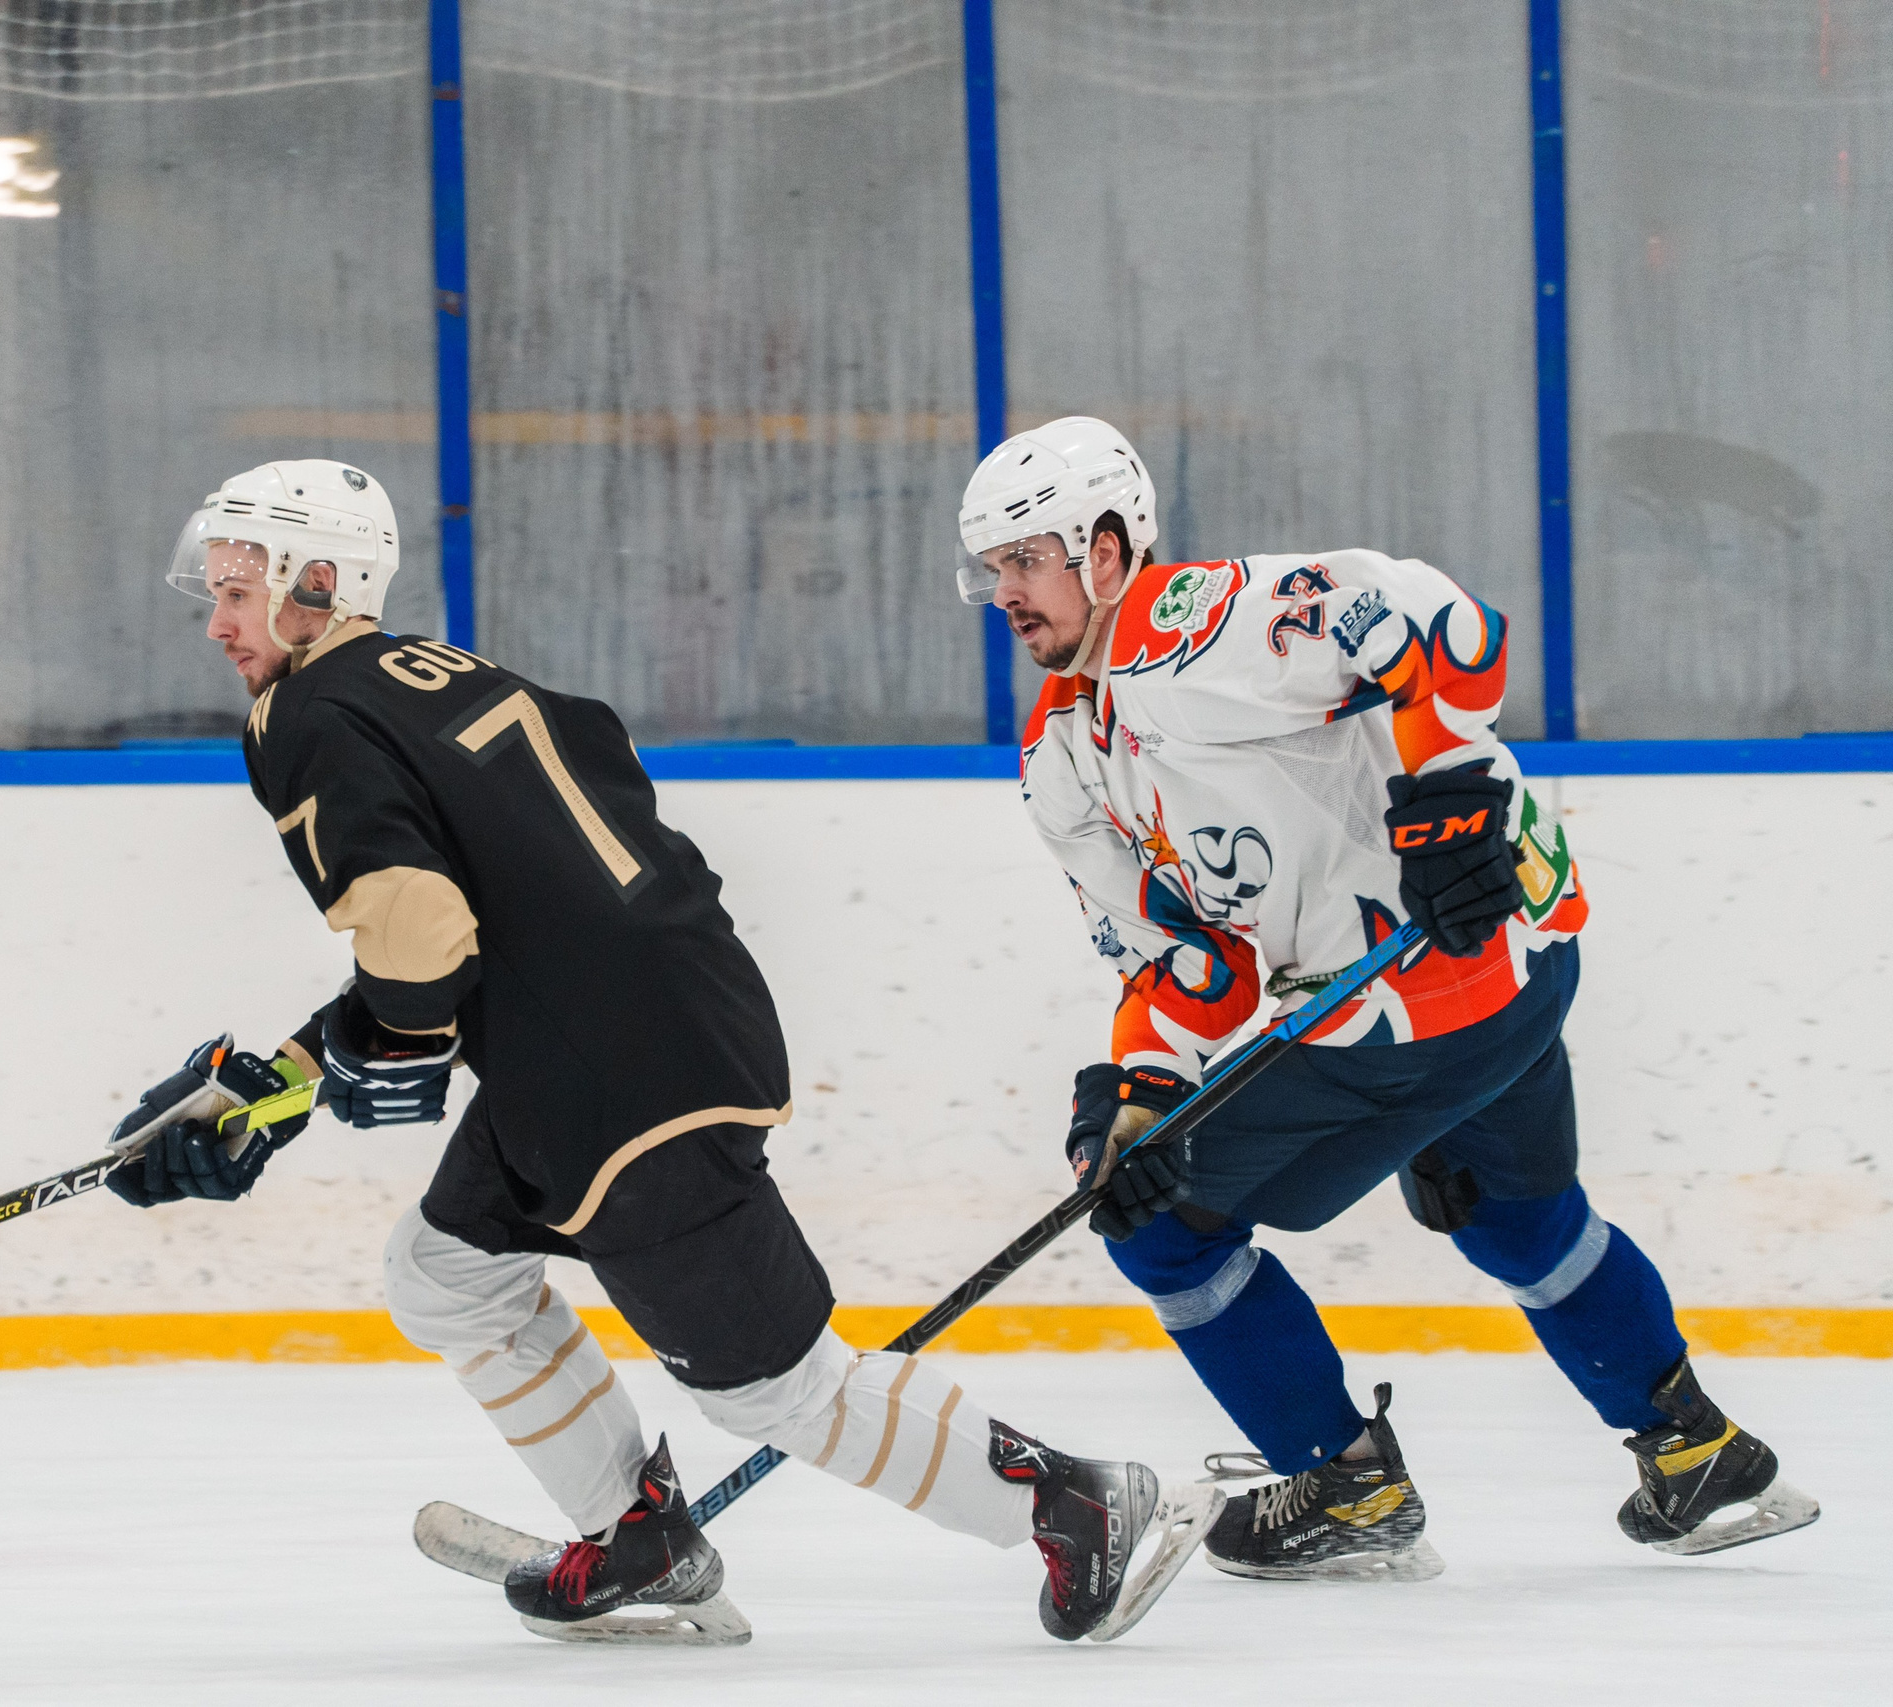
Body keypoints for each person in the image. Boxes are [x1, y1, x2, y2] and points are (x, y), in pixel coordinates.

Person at [102, 458, 1216, 1646]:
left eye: (239, 592)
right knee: (447, 1275)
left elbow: (420, 946)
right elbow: (530, 863)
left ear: (319, 584)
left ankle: (1070, 1506)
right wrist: (288, 1078)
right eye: (215, 594)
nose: (217, 623)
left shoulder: (305, 712)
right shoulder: (439, 676)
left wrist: (372, 1051)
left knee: (774, 1390)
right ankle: (637, 1532)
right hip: (634, 1034)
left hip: (616, 1078)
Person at [961, 416, 1819, 1581]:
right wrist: (1141, 1094)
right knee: (1508, 1213)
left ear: (1106, 551)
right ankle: (1699, 1453)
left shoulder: (1197, 624)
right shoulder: (1063, 759)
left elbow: (1439, 623)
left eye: (1026, 560)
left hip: (1420, 1000)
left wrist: (1448, 790)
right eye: (992, 569)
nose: (1005, 594)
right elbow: (1185, 964)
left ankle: (1346, 1483)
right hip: (1506, 976)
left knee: (1162, 1230)